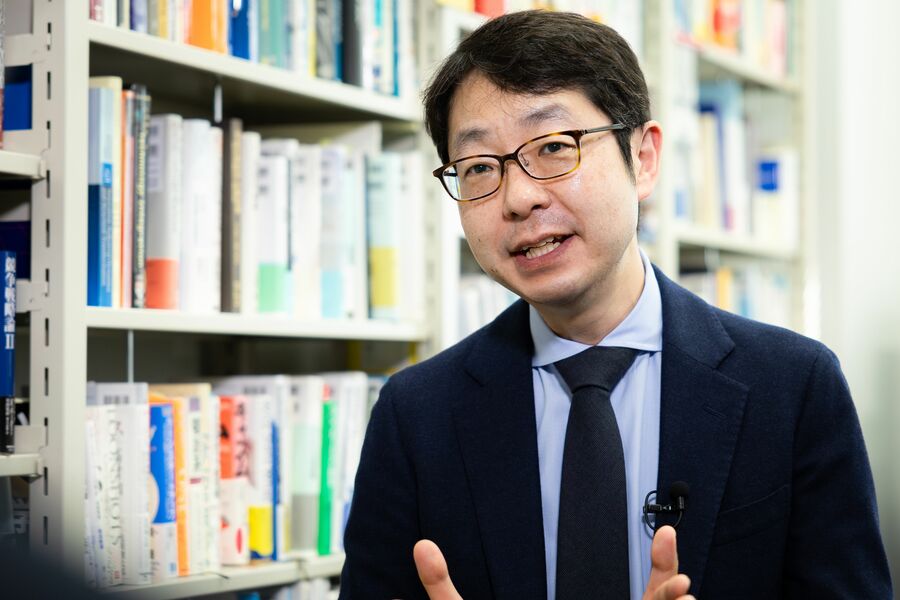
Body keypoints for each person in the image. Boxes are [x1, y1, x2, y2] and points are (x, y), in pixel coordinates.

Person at [339, 10, 892, 600]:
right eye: (478, 168)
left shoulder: (793, 387)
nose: (519, 198)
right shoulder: (415, 415)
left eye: (554, 147)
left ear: (643, 158)